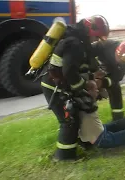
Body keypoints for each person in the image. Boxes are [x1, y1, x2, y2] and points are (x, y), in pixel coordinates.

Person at [40, 15, 110, 161]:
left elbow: (85, 63)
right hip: (54, 87)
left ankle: (83, 145)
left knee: (74, 117)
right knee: (68, 121)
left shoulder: (79, 40)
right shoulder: (75, 43)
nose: (96, 40)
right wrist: (84, 88)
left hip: (58, 85)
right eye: (96, 37)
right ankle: (64, 157)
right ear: (90, 31)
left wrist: (93, 75)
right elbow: (69, 72)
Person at [91, 39, 125, 121]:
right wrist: (94, 69)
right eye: (119, 56)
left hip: (111, 73)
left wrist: (102, 83)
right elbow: (88, 51)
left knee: (115, 89)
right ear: (117, 50)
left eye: (124, 59)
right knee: (89, 89)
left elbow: (116, 78)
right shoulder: (106, 44)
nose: (120, 60)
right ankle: (88, 117)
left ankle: (118, 119)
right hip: (96, 68)